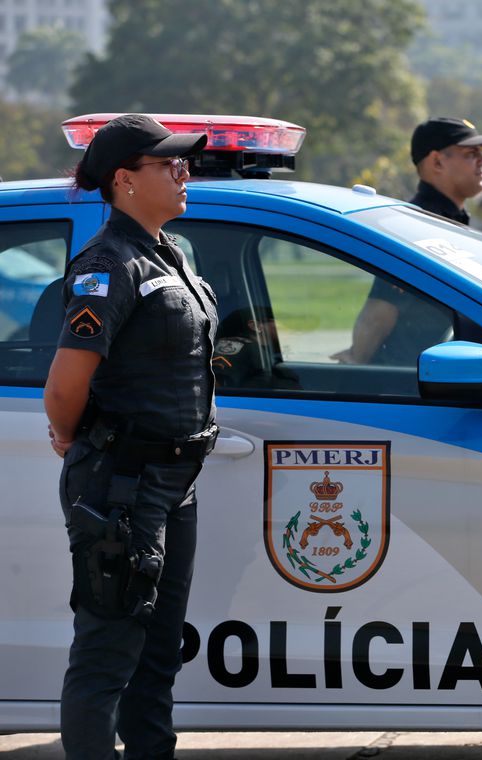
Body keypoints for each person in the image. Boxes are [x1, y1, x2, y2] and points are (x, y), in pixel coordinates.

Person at [43, 114, 216, 760]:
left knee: (156, 659)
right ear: (122, 181)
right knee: (106, 657)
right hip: (120, 486)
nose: (183, 172)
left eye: (183, 162)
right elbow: (64, 389)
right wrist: (71, 436)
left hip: (173, 484)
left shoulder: (170, 254)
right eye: (167, 164)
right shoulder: (107, 264)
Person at [332, 117, 482, 365]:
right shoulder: (417, 228)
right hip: (400, 384)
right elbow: (380, 312)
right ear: (437, 161)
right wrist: (356, 362)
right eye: (471, 154)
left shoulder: (446, 221)